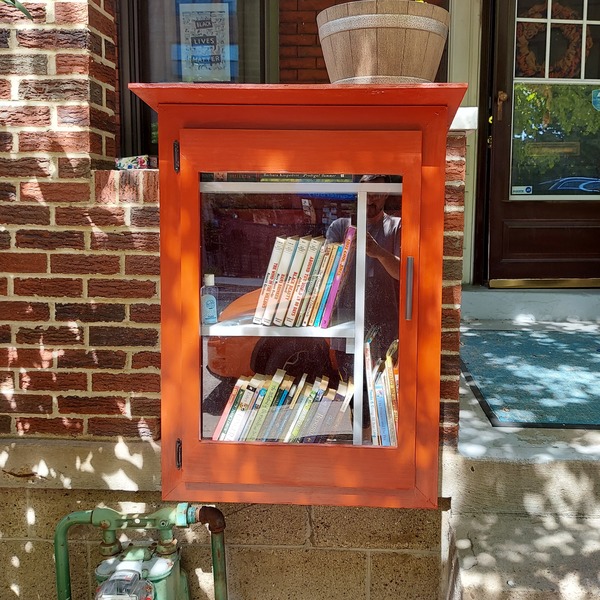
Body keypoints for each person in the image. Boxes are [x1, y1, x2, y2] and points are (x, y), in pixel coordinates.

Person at [326, 174, 401, 432]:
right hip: (346, 318)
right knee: (354, 389)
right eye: (367, 191)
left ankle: (379, 444)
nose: (373, 197)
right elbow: (327, 273)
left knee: (380, 386)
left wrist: (378, 251)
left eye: (379, 191)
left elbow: (403, 272)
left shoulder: (397, 227)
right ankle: (362, 440)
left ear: (387, 194)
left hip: (385, 320)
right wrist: (348, 248)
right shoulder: (340, 227)